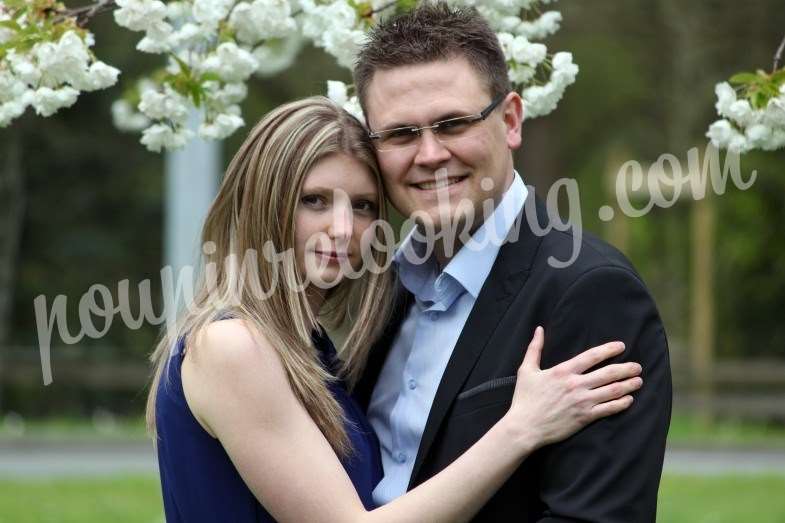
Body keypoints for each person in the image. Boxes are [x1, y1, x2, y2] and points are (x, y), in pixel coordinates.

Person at [145, 96, 643, 522]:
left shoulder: (304, 345)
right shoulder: (234, 345)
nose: (344, 229)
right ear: (261, 204)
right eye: (314, 201)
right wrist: (521, 428)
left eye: (362, 206)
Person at [352, 4, 673, 522]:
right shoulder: (376, 288)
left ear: (511, 120)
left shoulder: (592, 293)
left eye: (452, 124)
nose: (430, 154)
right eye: (401, 134)